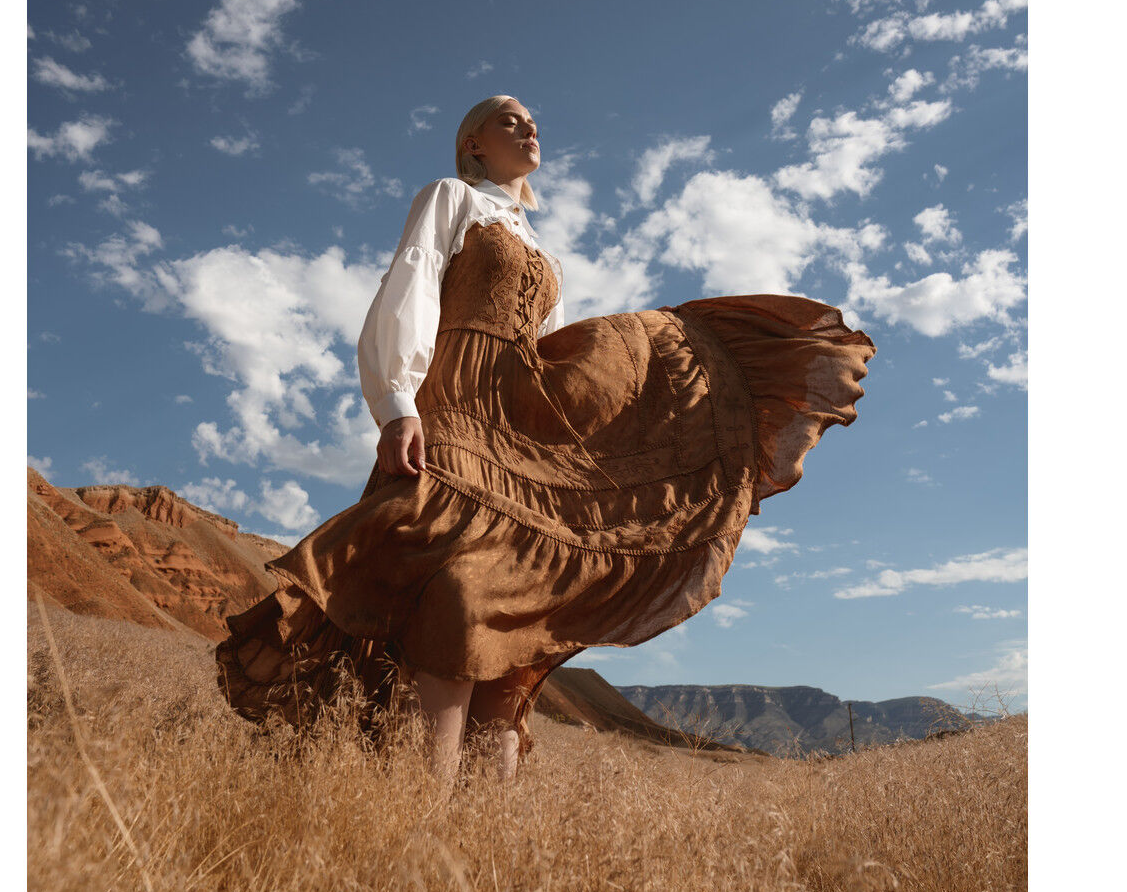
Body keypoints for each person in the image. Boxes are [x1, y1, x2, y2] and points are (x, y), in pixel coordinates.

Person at [216, 95, 876, 786]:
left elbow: (545, 351)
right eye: (509, 119)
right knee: (452, 597)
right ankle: (415, 814)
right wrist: (396, 403)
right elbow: (408, 289)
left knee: (514, 623)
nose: (529, 127)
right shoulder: (450, 198)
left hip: (519, 432)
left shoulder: (541, 248)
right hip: (453, 411)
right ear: (473, 144)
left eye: (532, 120)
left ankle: (485, 839)